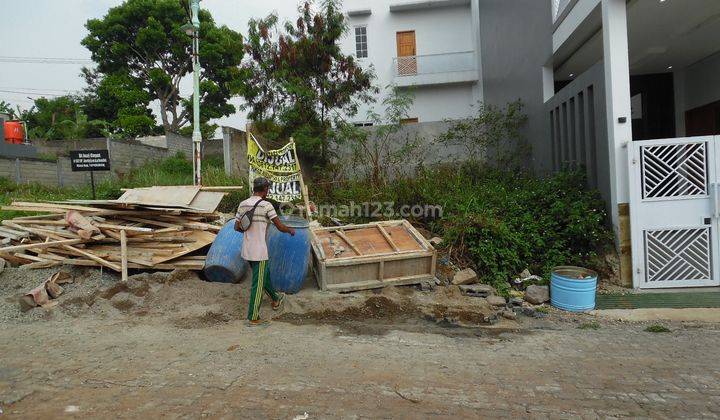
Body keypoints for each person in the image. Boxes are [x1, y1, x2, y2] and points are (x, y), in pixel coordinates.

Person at [236, 177, 296, 327]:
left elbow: (236, 227)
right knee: (258, 284)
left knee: (264, 275)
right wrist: (290, 230)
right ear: (264, 190)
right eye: (267, 189)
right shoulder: (266, 206)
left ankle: (275, 299)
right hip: (259, 251)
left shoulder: (242, 204)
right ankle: (253, 317)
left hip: (247, 249)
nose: (268, 191)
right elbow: (279, 226)